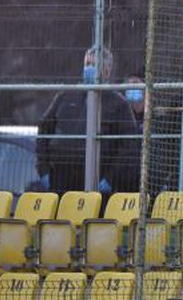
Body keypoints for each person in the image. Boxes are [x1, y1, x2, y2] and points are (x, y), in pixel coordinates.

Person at [36, 46, 140, 194]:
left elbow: (129, 146)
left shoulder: (118, 104)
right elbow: (44, 129)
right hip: (60, 179)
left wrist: (111, 179)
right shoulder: (66, 96)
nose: (88, 69)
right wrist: (44, 170)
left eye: (93, 65)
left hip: (96, 180)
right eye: (87, 64)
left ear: (106, 71)